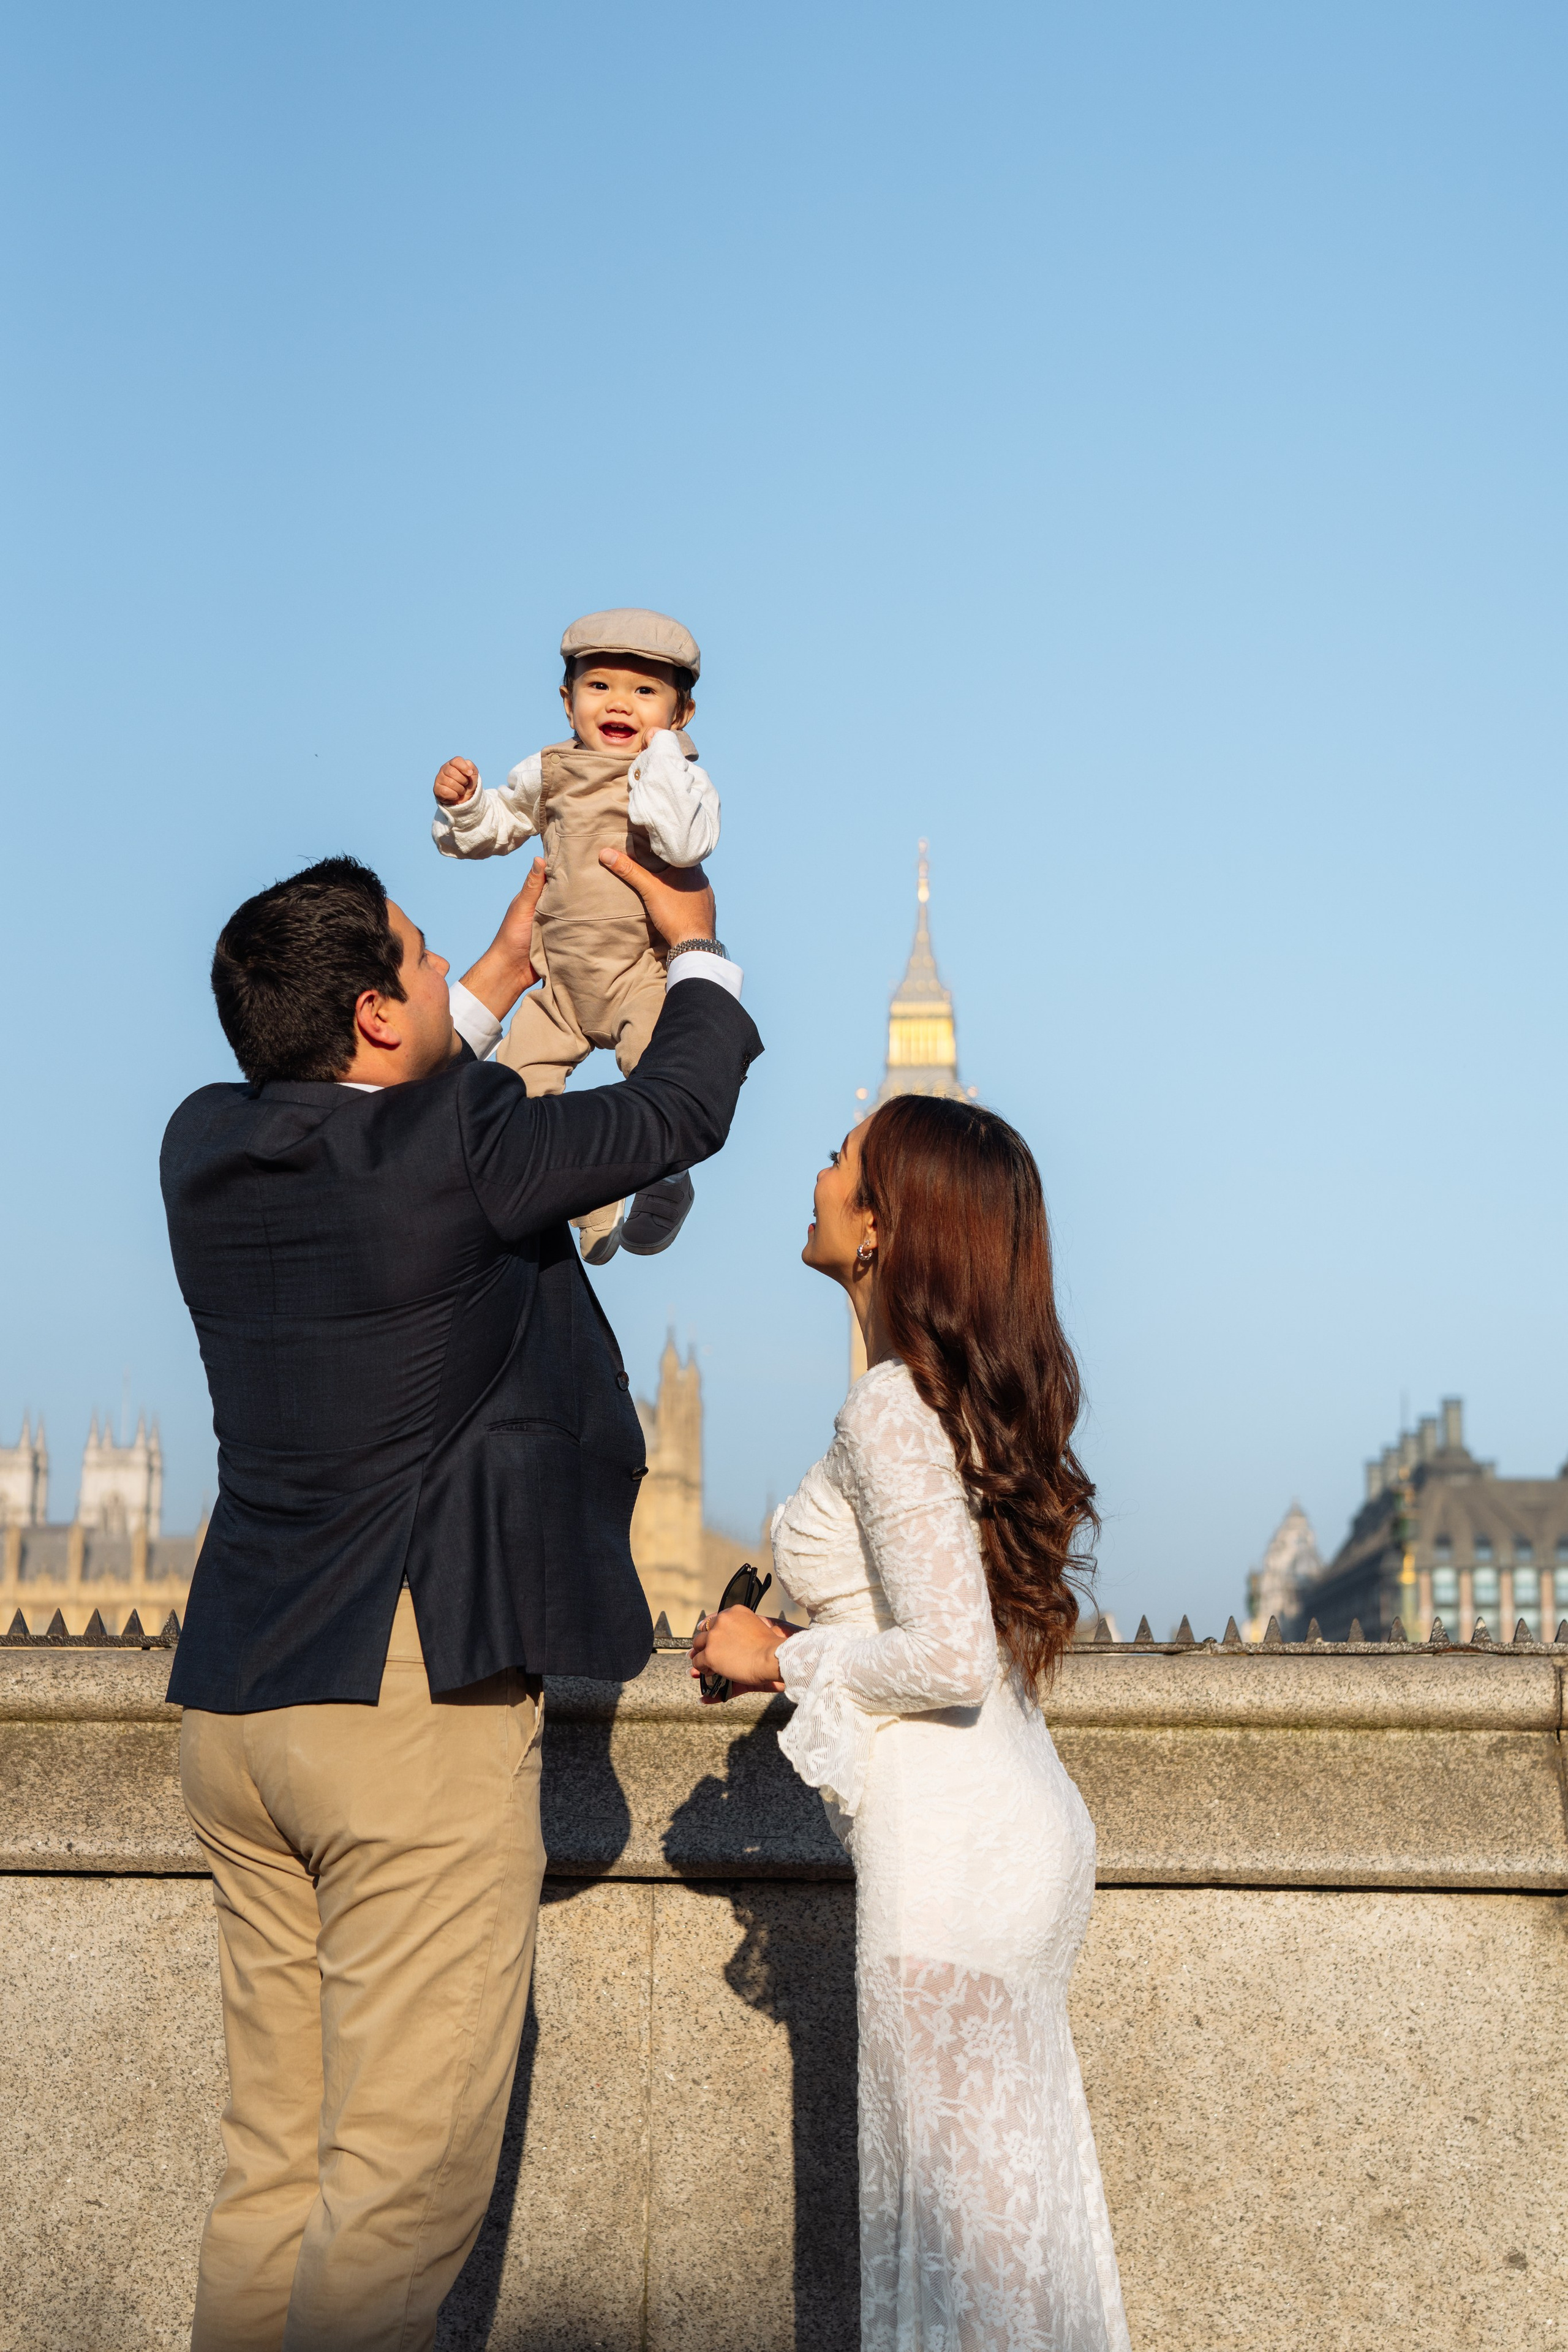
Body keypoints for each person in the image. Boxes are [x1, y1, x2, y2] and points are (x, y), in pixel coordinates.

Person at [162, 842, 759, 2352]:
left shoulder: (203, 1148)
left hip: (235, 1702)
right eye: (422, 961)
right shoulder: (468, 1140)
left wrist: (486, 976)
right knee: (399, 2181)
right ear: (372, 1014)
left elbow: (382, 1119)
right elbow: (674, 1107)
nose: (448, 974)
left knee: (271, 2163)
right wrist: (694, 952)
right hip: (400, 1711)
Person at [691, 1095, 1130, 2352]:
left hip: (948, 1851)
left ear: (880, 1224)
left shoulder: (891, 1410)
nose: (817, 1171)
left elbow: (945, 1654)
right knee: (1003, 2232)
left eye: (841, 1159)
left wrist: (775, 1655)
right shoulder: (925, 1401)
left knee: (951, 2246)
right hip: (1010, 1828)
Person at [430, 606, 719, 1264]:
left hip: (635, 971)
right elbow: (493, 828)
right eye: (599, 687)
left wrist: (662, 755)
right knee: (514, 1091)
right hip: (557, 978)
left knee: (659, 1079)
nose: (620, 703)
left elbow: (684, 840)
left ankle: (666, 1181)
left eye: (646, 692)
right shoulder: (550, 770)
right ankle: (589, 1211)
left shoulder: (680, 779)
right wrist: (464, 804)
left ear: (681, 715)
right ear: (567, 702)